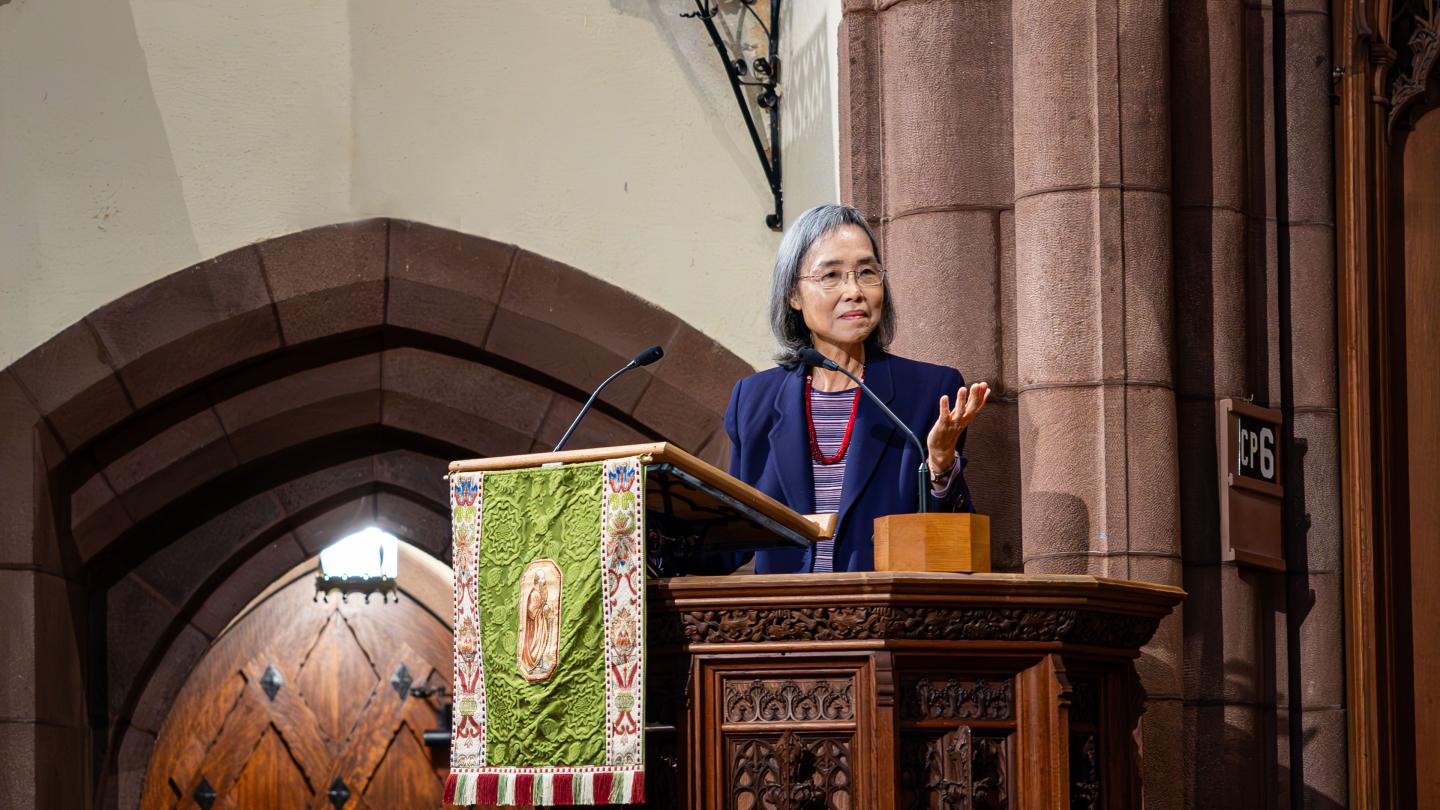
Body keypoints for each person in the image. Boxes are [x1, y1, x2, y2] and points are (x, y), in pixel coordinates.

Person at [724, 204, 989, 573]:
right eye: (831, 275)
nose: (854, 291)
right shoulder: (753, 401)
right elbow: (728, 544)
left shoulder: (929, 391)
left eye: (866, 273)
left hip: (885, 615)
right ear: (793, 295)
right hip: (785, 617)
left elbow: (946, 541)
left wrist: (941, 466)